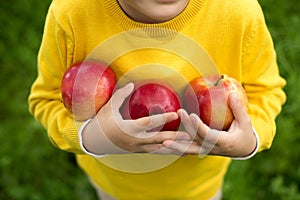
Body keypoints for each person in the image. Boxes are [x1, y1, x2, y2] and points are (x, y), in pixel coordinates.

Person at [28, 0, 286, 199]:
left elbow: (266, 91)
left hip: (198, 189)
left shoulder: (238, 13)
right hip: (115, 185)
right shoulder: (73, 14)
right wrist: (93, 137)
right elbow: (46, 98)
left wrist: (249, 139)